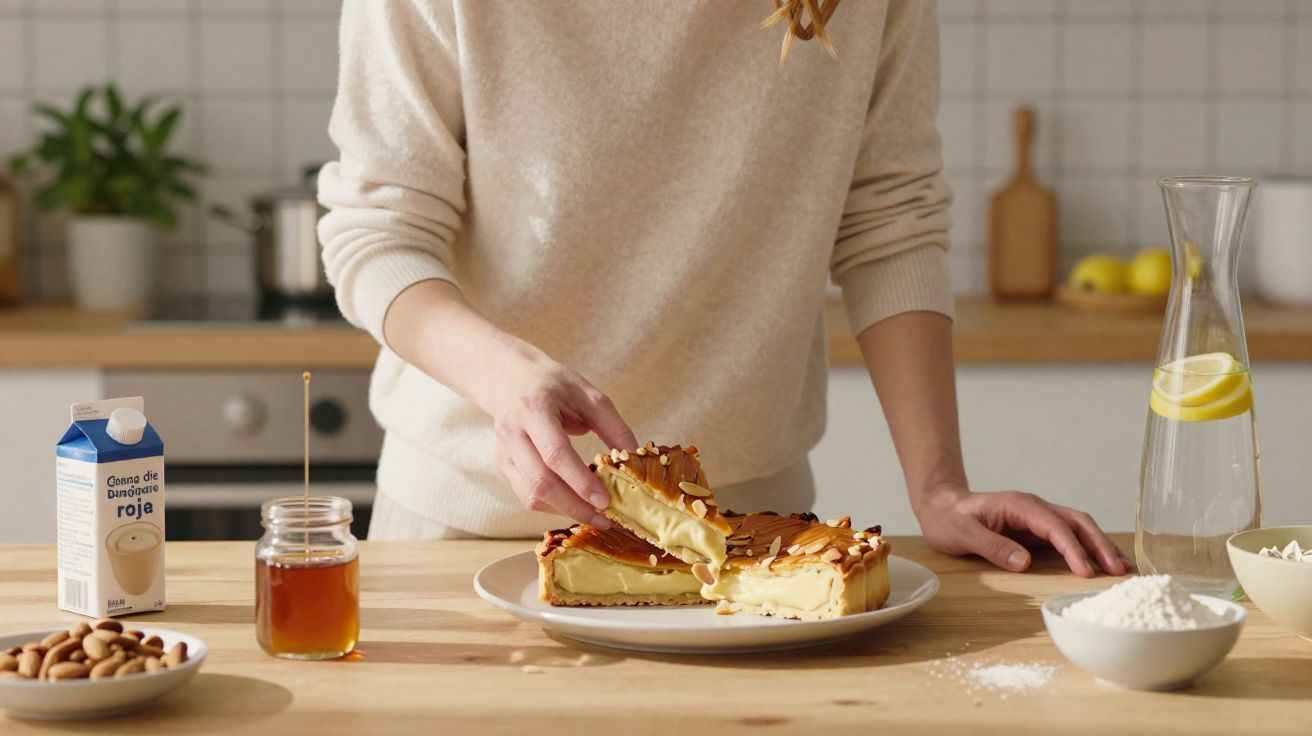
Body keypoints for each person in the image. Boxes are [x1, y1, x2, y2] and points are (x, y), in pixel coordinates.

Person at [318, 0, 1130, 578]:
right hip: (467, 528)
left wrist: (940, 485)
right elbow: (379, 232)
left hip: (754, 540)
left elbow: (890, 218)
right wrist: (507, 378)